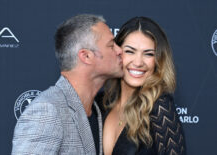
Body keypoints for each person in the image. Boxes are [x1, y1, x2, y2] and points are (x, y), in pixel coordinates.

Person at [12, 14, 123, 155]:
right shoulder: (47, 111)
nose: (120, 51)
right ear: (86, 56)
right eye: (111, 45)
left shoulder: (97, 110)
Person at [103, 17, 186, 155]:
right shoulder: (101, 104)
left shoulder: (160, 108)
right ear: (117, 53)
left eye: (148, 54)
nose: (138, 62)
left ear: (158, 61)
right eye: (130, 51)